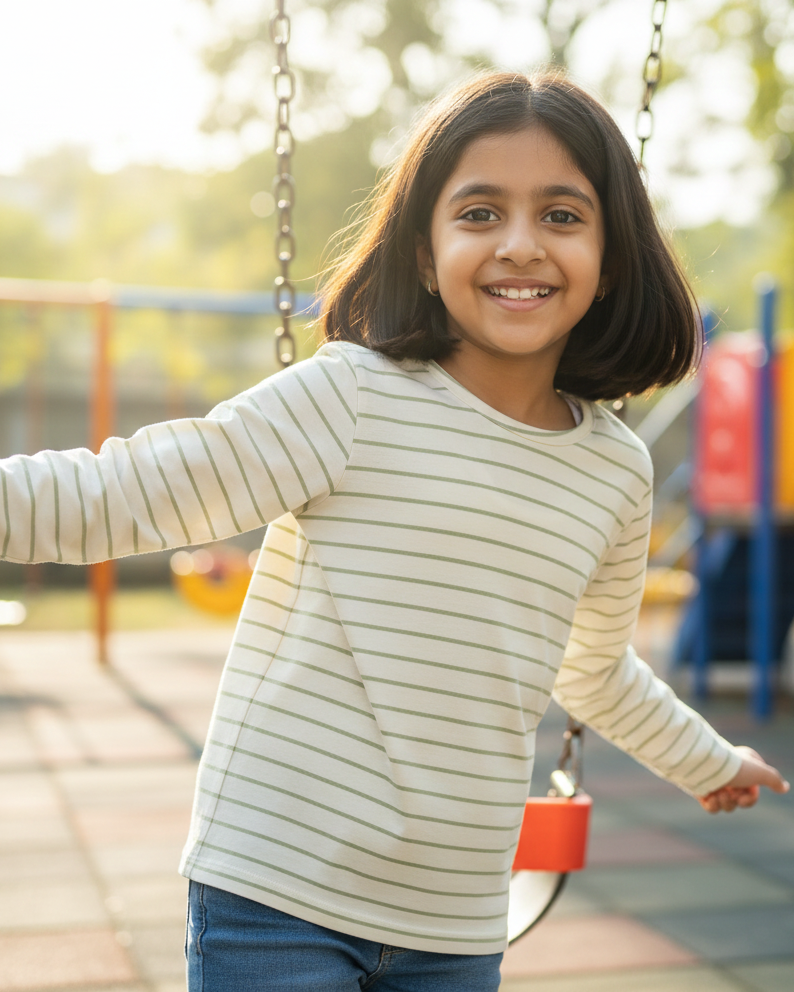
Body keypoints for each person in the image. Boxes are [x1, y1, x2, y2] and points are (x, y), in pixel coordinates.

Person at [0, 70, 788, 991]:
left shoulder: (613, 471)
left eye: (563, 216)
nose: (521, 245)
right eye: (481, 213)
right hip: (277, 883)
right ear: (425, 252)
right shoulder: (351, 398)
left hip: (453, 911)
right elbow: (125, 494)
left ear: (610, 259)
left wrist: (704, 757)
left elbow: (593, 665)